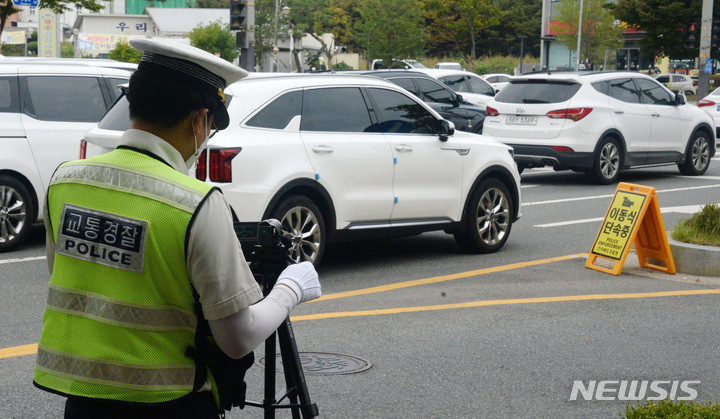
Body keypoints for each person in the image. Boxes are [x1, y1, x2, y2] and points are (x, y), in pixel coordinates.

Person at [33, 38, 321, 418]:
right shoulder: (195, 202)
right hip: (170, 403)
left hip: (81, 402)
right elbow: (237, 339)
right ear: (200, 120)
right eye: (211, 129)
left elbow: (70, 273)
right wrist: (289, 290)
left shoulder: (65, 181)